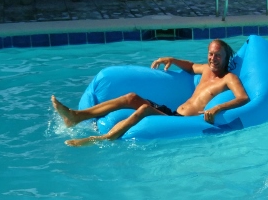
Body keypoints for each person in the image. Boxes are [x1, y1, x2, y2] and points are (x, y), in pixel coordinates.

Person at [51, 39, 249, 146]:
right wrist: (172, 59)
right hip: (173, 113)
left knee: (144, 109)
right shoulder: (205, 69)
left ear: (226, 57)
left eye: (218, 55)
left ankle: (104, 139)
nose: (213, 58)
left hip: (183, 121)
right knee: (131, 97)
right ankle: (77, 116)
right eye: (210, 54)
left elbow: (243, 98)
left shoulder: (228, 78)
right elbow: (190, 66)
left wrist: (218, 108)